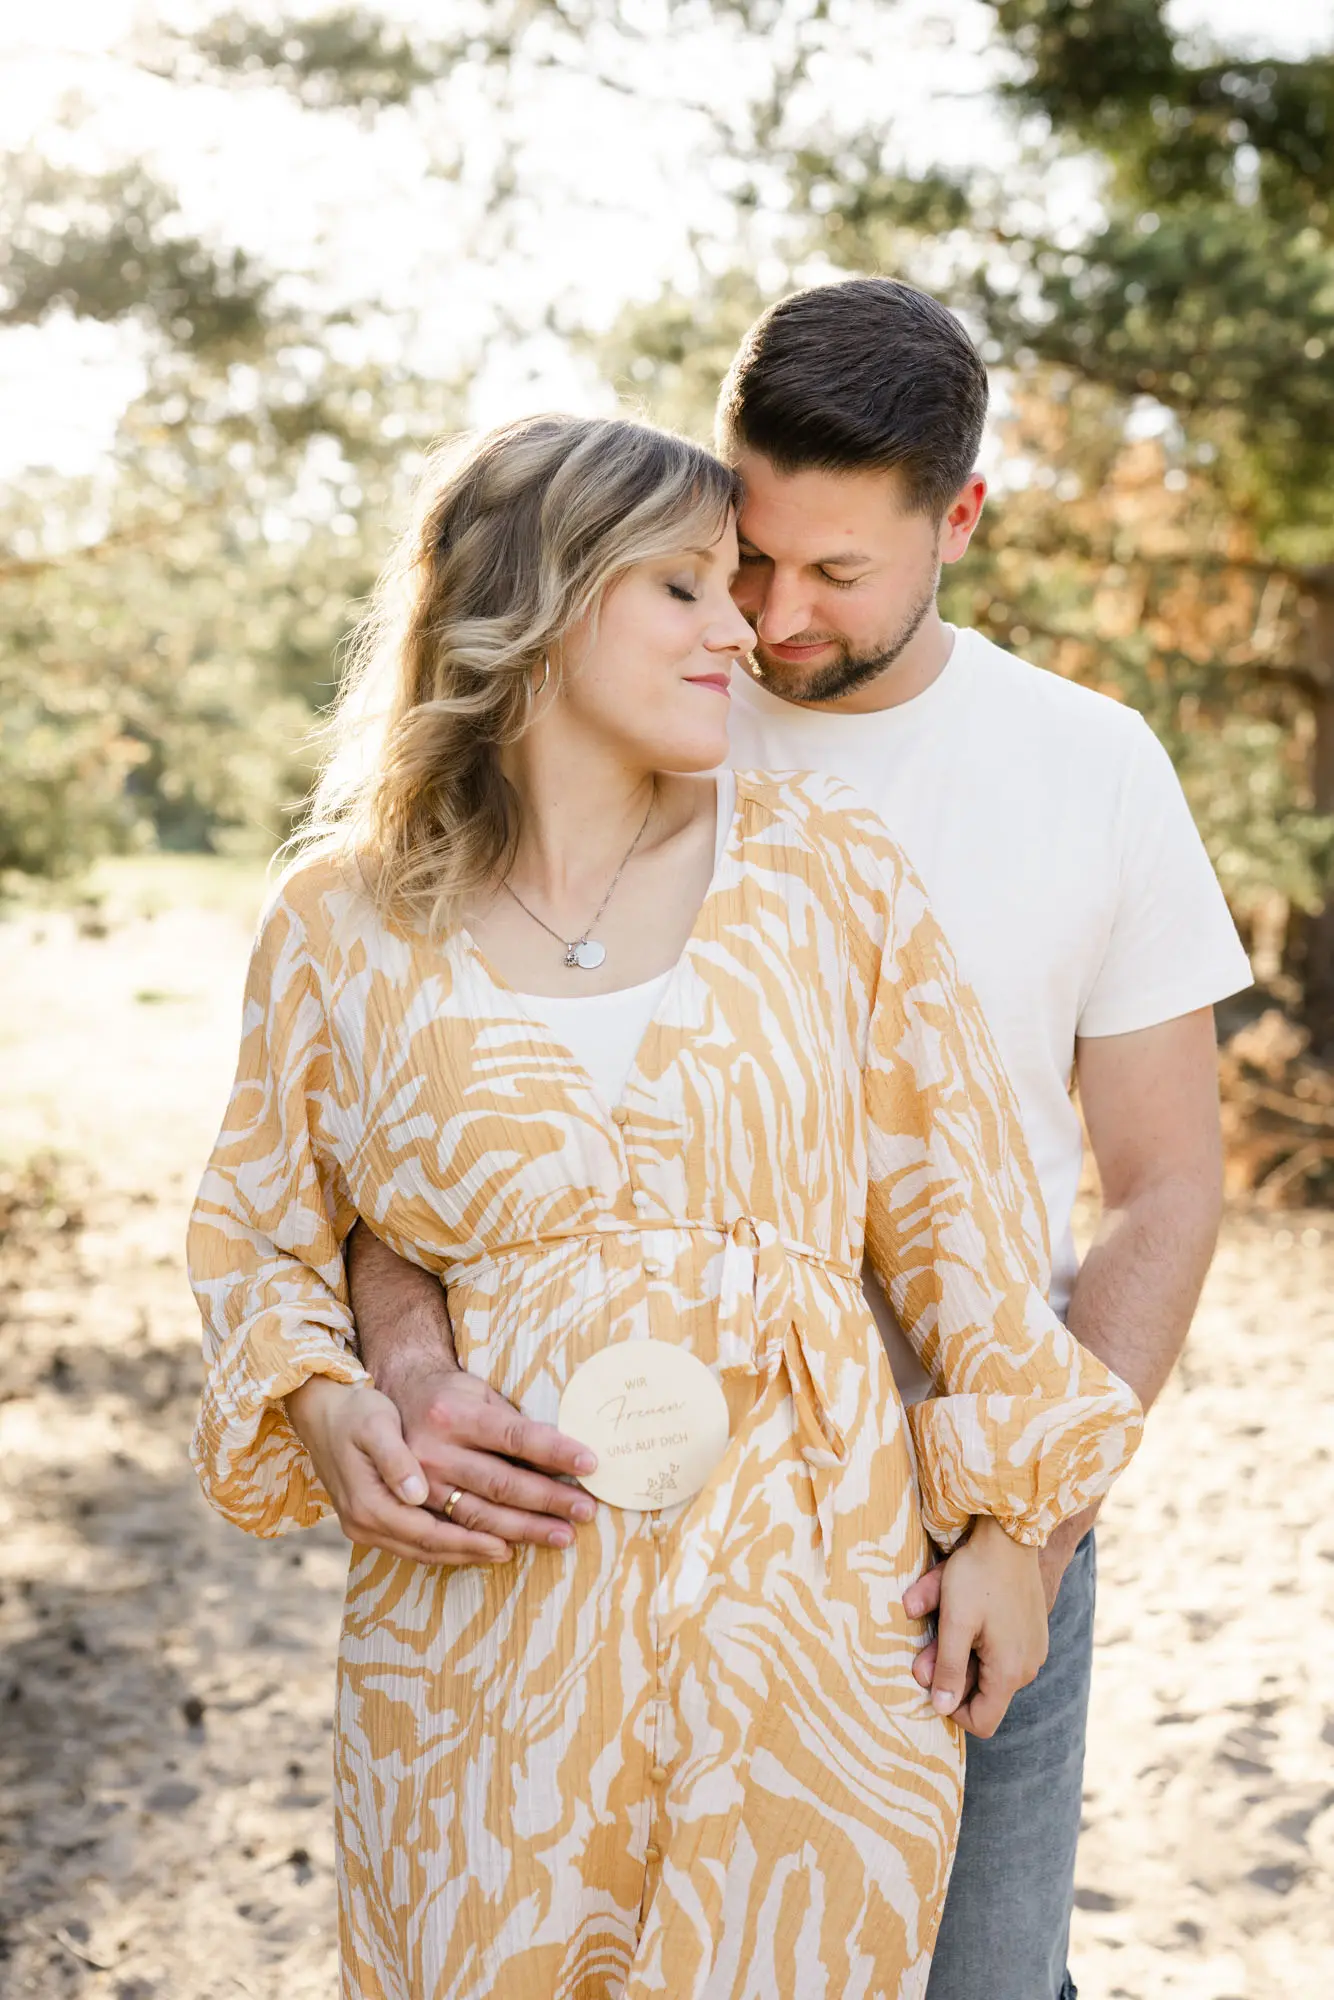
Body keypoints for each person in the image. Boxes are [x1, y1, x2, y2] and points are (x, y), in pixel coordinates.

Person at [341, 283, 1254, 2000]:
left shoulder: (1090, 767)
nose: (766, 616)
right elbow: (413, 1123)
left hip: (977, 1481)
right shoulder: (633, 691)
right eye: (744, 555)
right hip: (622, 1506)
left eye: (836, 575)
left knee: (984, 1976)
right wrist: (396, 1360)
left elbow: (1162, 1192)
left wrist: (1027, 1534)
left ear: (957, 521)